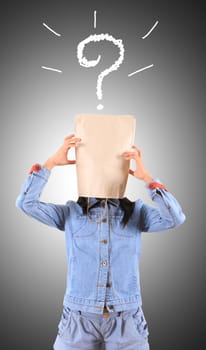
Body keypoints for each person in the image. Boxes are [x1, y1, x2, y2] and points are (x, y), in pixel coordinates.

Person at [16, 134, 186, 350]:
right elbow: (26, 203)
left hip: (127, 320)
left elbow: (175, 218)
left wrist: (148, 179)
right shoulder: (71, 213)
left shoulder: (137, 212)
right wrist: (51, 163)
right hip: (78, 320)